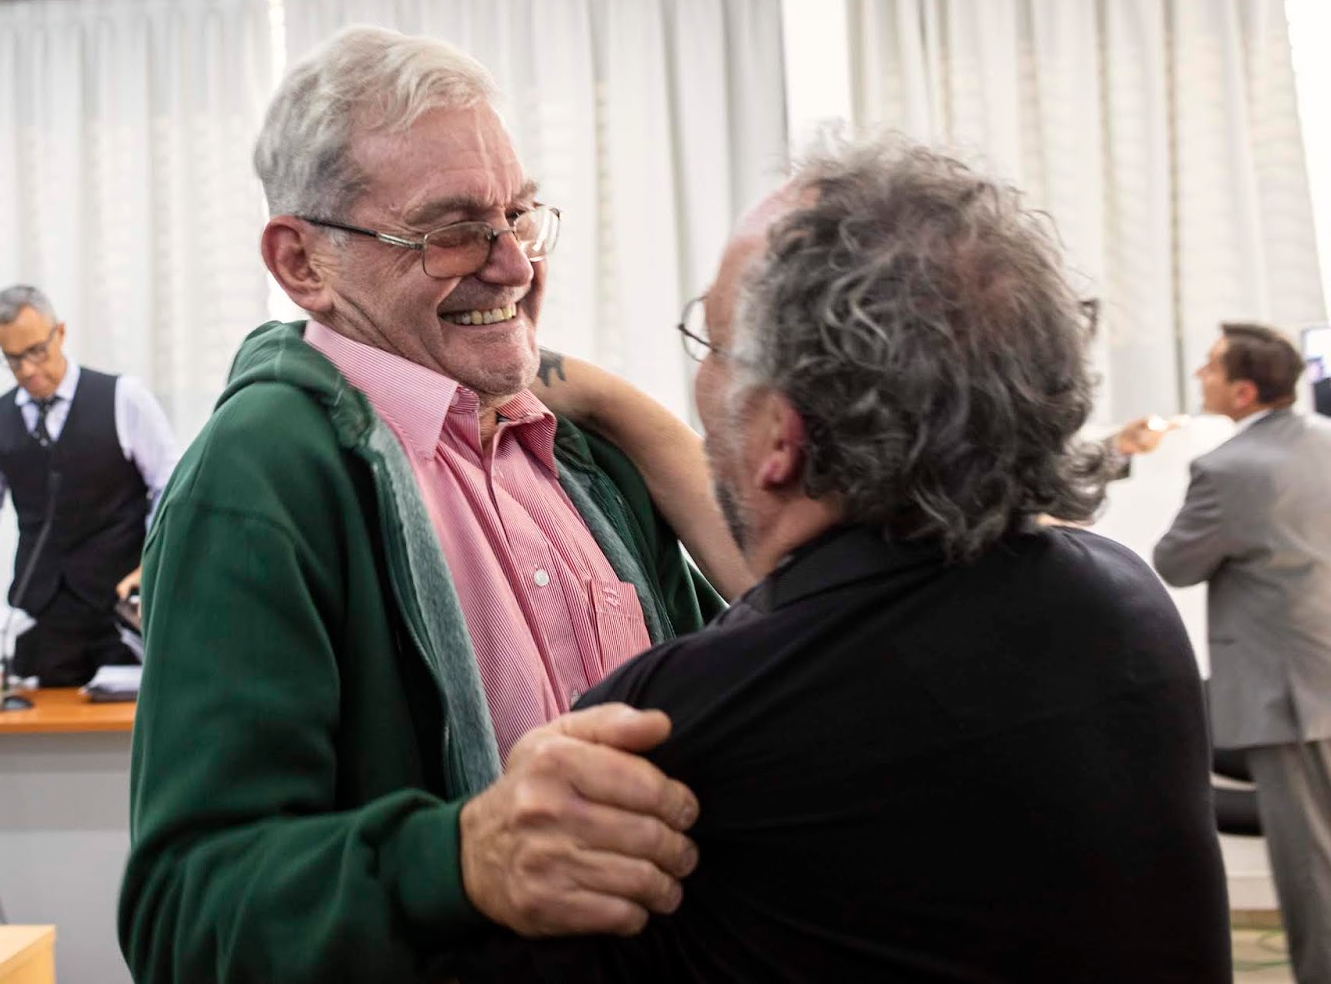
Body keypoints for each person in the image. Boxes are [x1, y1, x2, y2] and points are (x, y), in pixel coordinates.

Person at [451, 138, 1231, 981]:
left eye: (711, 345)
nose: (702, 384)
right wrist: (611, 400)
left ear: (780, 435)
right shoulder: (1124, 602)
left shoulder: (667, 723)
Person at [117, 26, 724, 984]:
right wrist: (459, 861)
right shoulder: (258, 479)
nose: (514, 266)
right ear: (303, 263)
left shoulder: (588, 460)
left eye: (518, 216)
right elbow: (186, 915)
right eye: (452, 232)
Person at [1155, 322, 1331, 984]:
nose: (1200, 375)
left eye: (1210, 365)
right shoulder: (1325, 439)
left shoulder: (1228, 470)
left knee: (1310, 867)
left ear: (1244, 390)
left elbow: (1174, 562)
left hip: (1284, 690)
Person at [0, 285, 178, 686]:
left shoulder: (124, 399)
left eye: (36, 352)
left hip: (120, 607)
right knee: (37, 719)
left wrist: (149, 567)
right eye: (12, 359)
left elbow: (171, 491)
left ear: (59, 333)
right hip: (42, 614)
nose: (27, 369)